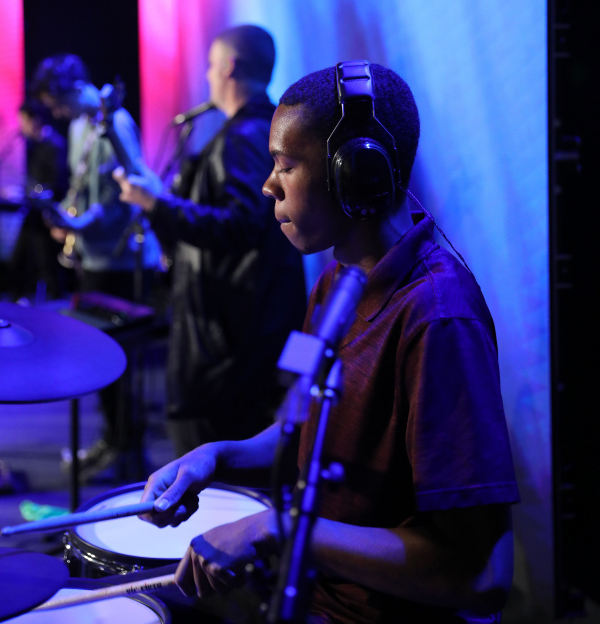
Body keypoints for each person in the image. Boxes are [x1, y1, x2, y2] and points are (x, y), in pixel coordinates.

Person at [138, 61, 520, 624]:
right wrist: (218, 456)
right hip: (313, 595)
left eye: (285, 165)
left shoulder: (438, 320)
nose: (268, 185)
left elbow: (480, 576)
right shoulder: (336, 283)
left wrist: (283, 529)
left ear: (357, 174)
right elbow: (306, 432)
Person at [114, 24, 307, 457]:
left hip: (230, 341)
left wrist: (155, 205)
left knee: (210, 458)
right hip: (246, 329)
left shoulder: (243, 137)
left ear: (229, 67)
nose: (206, 76)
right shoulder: (263, 130)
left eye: (210, 65)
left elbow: (240, 225)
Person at [31, 53, 161, 477]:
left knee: (119, 362)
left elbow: (130, 195)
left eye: (57, 103)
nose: (56, 113)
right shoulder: (77, 127)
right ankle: (112, 442)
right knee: (100, 359)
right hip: (93, 256)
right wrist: (68, 222)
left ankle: (126, 451)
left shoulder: (116, 122)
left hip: (121, 260)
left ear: (73, 88)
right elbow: (84, 187)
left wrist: (81, 223)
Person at [8, 98, 69, 300]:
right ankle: (18, 302)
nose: (21, 127)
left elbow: (58, 184)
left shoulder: (55, 145)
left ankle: (55, 305)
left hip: (47, 214)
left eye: (24, 121)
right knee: (18, 260)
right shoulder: (32, 146)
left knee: (47, 265)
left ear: (35, 120)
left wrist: (39, 194)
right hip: (33, 212)